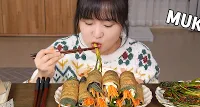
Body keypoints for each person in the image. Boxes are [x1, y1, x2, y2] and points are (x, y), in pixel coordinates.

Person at [28, 0, 160, 83]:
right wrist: (42, 74)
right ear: (79, 20)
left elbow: (155, 97)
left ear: (122, 24)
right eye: (88, 23)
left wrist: (140, 88)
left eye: (108, 25)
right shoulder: (62, 49)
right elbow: (29, 99)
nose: (97, 34)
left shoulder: (140, 55)